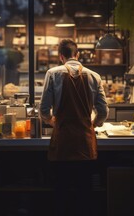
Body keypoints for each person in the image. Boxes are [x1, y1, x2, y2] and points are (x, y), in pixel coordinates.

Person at [39, 39, 109, 216]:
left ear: (61, 56)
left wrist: (53, 122)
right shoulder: (94, 76)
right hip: (85, 143)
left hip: (63, 142)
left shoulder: (52, 73)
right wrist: (92, 124)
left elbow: (44, 111)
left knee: (61, 192)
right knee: (84, 193)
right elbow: (103, 111)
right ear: (77, 55)